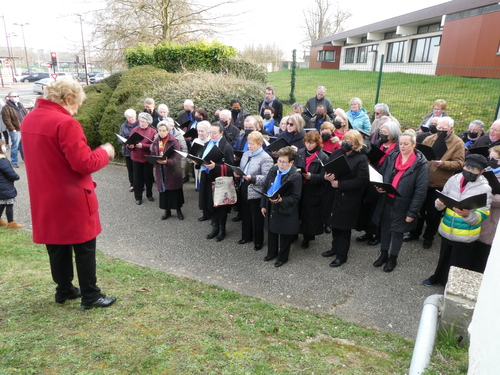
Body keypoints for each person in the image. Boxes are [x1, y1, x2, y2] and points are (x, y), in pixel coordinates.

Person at [21, 78, 116, 310]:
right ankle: (90, 295)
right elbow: (83, 163)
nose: (77, 110)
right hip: (71, 196)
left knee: (57, 245)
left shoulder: (30, 119)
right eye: (77, 105)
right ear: (68, 98)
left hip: (44, 194)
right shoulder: (65, 123)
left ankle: (64, 289)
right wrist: (105, 152)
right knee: (84, 247)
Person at [423, 154, 492, 287]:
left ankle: (453, 286)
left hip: (466, 232)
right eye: (467, 167)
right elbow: (443, 196)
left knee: (459, 262)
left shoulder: (485, 188)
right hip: (448, 227)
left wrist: (467, 214)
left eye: (474, 169)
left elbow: (483, 213)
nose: (469, 171)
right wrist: (439, 203)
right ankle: (438, 278)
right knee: (443, 257)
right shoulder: (454, 178)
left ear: (482, 171)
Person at [372, 130, 429, 272]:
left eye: (406, 144)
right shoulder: (392, 156)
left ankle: (393, 257)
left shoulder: (421, 165)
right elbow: (383, 173)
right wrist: (380, 186)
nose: (402, 146)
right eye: (400, 143)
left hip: (404, 204)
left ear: (414, 144)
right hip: (387, 200)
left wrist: (412, 212)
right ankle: (383, 253)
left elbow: (420, 191)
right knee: (385, 229)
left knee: (397, 232)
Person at [405, 116, 465, 249]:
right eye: (439, 128)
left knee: (433, 213)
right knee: (418, 208)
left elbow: (460, 163)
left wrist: (443, 164)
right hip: (424, 180)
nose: (441, 131)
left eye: (444, 129)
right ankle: (414, 233)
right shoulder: (430, 138)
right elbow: (419, 153)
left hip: (440, 183)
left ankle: (428, 237)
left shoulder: (458, 143)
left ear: (451, 129)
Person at [323, 130, 369, 267]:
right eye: (344, 140)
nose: (345, 143)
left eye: (349, 142)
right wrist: (326, 177)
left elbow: (361, 181)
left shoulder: (361, 159)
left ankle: (341, 255)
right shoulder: (338, 153)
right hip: (334, 195)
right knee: (334, 223)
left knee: (343, 228)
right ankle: (334, 248)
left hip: (348, 198)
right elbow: (328, 167)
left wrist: (340, 184)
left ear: (356, 144)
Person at [357, 121, 401, 246]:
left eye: (385, 133)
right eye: (381, 132)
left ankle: (379, 235)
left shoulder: (396, 148)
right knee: (369, 208)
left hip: (385, 181)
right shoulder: (378, 144)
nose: (382, 135)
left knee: (380, 210)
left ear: (392, 135)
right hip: (372, 179)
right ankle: (368, 232)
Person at [261, 146, 302, 267]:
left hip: (285, 208)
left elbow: (296, 197)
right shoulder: (274, 169)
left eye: (284, 162)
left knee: (284, 234)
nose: (280, 164)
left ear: (291, 162)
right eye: (279, 161)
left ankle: (282, 257)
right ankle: (271, 253)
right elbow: (265, 187)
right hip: (271, 205)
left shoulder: (295, 176)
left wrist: (282, 200)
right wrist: (263, 205)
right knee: (272, 231)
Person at [236, 131, 273, 250]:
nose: (249, 146)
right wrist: (237, 173)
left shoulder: (266, 158)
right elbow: (242, 169)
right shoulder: (246, 154)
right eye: (249, 143)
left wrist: (253, 178)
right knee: (245, 214)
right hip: (244, 187)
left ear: (260, 144)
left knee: (256, 218)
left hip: (256, 191)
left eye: (253, 144)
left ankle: (258, 241)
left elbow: (267, 178)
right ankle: (246, 236)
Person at [198, 123, 235, 242]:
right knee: (211, 204)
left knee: (221, 206)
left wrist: (216, 166)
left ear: (221, 133)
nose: (212, 135)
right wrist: (197, 161)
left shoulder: (226, 147)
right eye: (210, 133)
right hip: (207, 179)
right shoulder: (207, 144)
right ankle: (214, 227)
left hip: (220, 181)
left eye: (215, 133)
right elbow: (203, 159)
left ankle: (222, 229)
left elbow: (230, 167)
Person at [296, 131, 329, 249]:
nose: (309, 146)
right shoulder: (300, 153)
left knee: (310, 214)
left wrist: (312, 177)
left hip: (313, 189)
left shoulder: (323, 157)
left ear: (317, 143)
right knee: (299, 211)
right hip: (301, 186)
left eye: (312, 143)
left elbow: (324, 176)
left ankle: (307, 237)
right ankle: (296, 233)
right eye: (307, 143)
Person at [470, 145, 500, 273]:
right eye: (489, 157)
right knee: (472, 252)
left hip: (492, 219)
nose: (490, 161)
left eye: (494, 158)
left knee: (483, 255)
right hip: (479, 216)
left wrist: (484, 195)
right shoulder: (487, 172)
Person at [150, 121, 185, 220]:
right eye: (159, 130)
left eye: (164, 130)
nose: (161, 132)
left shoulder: (174, 141)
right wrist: (153, 158)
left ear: (168, 131)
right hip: (160, 170)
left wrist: (168, 162)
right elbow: (153, 152)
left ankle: (178, 211)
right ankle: (167, 211)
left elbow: (177, 156)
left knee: (175, 192)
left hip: (172, 170)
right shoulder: (156, 141)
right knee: (164, 191)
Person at [127, 112, 158, 205]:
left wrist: (143, 146)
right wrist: (130, 146)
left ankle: (149, 194)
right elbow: (128, 144)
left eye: (144, 121)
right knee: (137, 179)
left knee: (148, 178)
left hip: (148, 159)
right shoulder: (134, 130)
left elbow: (155, 145)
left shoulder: (153, 131)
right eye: (140, 121)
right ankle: (138, 197)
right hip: (136, 158)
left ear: (148, 122)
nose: (142, 123)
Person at [0, 139, 23, 229]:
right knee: (9, 203)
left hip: (1, 187)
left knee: (2, 203)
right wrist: (16, 177)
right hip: (5, 186)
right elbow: (10, 173)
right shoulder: (3, 161)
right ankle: (11, 223)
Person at [1, 92, 27, 168]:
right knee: (15, 146)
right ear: (9, 97)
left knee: (23, 145)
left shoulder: (20, 105)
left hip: (22, 128)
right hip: (15, 129)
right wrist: (12, 129)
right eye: (14, 96)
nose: (16, 97)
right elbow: (6, 120)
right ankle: (14, 161)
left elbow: (25, 114)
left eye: (17, 96)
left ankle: (25, 159)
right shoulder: (6, 107)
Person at [119, 109, 139, 192]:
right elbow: (120, 137)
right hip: (127, 150)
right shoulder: (123, 126)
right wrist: (125, 142)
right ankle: (132, 184)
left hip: (137, 150)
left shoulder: (140, 124)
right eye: (129, 118)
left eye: (133, 117)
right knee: (130, 169)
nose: (131, 119)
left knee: (137, 169)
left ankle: (139, 184)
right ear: (126, 118)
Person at [192, 121, 212, 194]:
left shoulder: (211, 141)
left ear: (207, 132)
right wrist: (193, 159)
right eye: (198, 131)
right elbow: (191, 154)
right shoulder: (195, 140)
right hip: (197, 166)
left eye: (202, 131)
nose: (200, 133)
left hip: (208, 166)